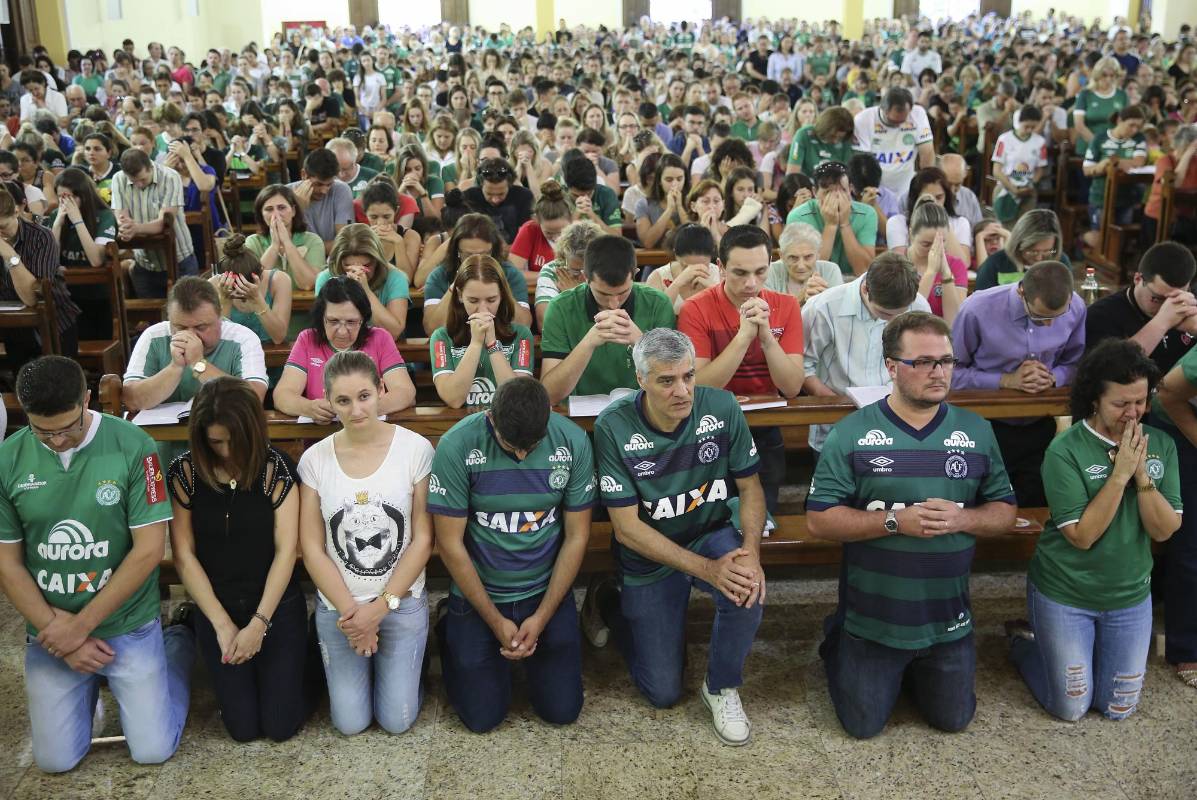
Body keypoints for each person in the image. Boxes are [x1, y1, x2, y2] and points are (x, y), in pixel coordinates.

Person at [807, 311, 1017, 739]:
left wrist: (964, 517)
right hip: (874, 622)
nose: (938, 372)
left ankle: (913, 670)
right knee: (862, 727)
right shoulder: (851, 433)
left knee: (953, 721)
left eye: (946, 361)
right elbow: (819, 520)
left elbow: (1005, 511)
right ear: (890, 367)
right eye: (922, 362)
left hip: (948, 620)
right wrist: (892, 521)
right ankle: (840, 641)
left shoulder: (976, 431)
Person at [0, 356, 194, 772]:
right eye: (42, 431)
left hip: (126, 622)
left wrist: (80, 627)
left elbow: (147, 551)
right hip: (51, 627)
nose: (56, 441)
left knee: (152, 750)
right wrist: (60, 635)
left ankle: (177, 644)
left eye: (68, 428)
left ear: (87, 400)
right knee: (54, 761)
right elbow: (8, 564)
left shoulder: (134, 445)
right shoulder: (7, 459)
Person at [583, 326, 765, 745]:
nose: (682, 390)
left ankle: (720, 687)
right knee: (662, 692)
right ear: (641, 380)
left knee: (746, 586)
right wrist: (707, 570)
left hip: (709, 532)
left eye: (689, 376)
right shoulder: (614, 425)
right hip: (648, 553)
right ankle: (610, 600)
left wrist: (749, 553)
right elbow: (627, 530)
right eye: (666, 380)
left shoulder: (721, 407)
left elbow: (752, 488)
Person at [1008, 339, 1179, 720]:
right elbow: (1082, 537)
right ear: (1095, 400)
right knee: (1071, 707)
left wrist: (1142, 477)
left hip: (1129, 596)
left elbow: (1164, 531)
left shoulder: (1162, 445)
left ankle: (1085, 653)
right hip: (1066, 592)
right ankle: (1024, 645)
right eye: (1121, 404)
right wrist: (1119, 476)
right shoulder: (1065, 450)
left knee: (1117, 708)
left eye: (1140, 402)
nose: (1133, 414)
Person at [430, 377, 593, 731]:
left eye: (530, 446)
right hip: (480, 594)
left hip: (544, 589)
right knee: (482, 719)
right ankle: (450, 626)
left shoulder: (573, 440)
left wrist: (544, 615)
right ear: (490, 417)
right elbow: (450, 544)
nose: (520, 454)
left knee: (562, 711)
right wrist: (494, 620)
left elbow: (577, 537)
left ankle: (523, 648)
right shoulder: (456, 445)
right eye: (510, 444)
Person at [298, 350, 434, 736]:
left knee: (397, 721)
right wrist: (354, 615)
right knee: (350, 723)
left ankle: (412, 666)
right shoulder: (314, 460)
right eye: (342, 400)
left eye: (363, 396)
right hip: (340, 608)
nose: (356, 409)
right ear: (328, 401)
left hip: (400, 601)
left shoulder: (415, 450)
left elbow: (423, 538)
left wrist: (381, 608)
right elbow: (312, 546)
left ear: (380, 390)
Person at [167, 377, 309, 742]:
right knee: (242, 729)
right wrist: (222, 624)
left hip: (275, 603)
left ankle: (305, 658)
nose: (228, 452)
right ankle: (182, 631)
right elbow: (184, 555)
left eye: (235, 441)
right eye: (216, 442)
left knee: (280, 726)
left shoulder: (275, 470)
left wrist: (259, 625)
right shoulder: (185, 473)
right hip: (217, 603)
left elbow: (285, 553)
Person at [678, 225, 804, 512]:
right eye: (740, 272)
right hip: (710, 424)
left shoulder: (786, 306)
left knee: (762, 521)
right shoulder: (695, 309)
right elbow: (700, 386)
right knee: (712, 521)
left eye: (760, 272)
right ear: (720, 267)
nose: (751, 283)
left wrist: (766, 337)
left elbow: (792, 386)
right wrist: (744, 336)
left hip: (765, 426)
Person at [952, 261, 1086, 507]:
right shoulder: (977, 308)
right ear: (1022, 291)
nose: (1049, 325)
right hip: (984, 425)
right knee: (984, 505)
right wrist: (1005, 380)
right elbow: (950, 373)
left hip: (1041, 422)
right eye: (1040, 316)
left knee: (1035, 506)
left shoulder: (1077, 306)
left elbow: (1077, 364)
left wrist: (1054, 376)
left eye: (1057, 317)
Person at [802, 252, 931, 453]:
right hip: (835, 424)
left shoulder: (919, 306)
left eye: (900, 314)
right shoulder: (822, 307)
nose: (891, 320)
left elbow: (923, 360)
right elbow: (801, 366)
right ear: (865, 289)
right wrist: (837, 403)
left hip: (897, 423)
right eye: (885, 314)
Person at [539, 235, 675, 404]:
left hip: (642, 414)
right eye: (603, 294)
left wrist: (641, 342)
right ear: (584, 277)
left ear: (635, 274)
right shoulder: (560, 308)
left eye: (622, 293)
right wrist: (588, 343)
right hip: (580, 418)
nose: (613, 304)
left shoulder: (658, 303)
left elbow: (672, 381)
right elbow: (550, 394)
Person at [273, 277, 416, 423]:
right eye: (333, 321)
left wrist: (363, 409)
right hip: (321, 438)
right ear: (321, 317)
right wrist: (309, 408)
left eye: (351, 322)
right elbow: (282, 395)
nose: (342, 331)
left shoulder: (380, 338)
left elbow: (405, 391)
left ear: (363, 319)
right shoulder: (307, 339)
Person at [123, 276, 268, 410]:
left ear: (220, 318)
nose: (190, 336)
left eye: (201, 327)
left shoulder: (243, 338)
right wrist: (175, 367)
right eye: (180, 327)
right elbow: (132, 400)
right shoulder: (153, 336)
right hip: (160, 437)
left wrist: (199, 364)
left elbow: (254, 398)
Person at [430, 255, 535, 408]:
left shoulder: (522, 335)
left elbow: (516, 400)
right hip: (462, 426)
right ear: (459, 295)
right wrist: (476, 343)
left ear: (502, 296)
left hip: (507, 425)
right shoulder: (441, 337)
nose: (483, 309)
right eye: (473, 301)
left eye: (491, 300)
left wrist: (492, 344)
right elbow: (454, 399)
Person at [1085, 242, 1197, 375]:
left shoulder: (1188, 303)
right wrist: (1162, 322)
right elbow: (1109, 373)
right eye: (1158, 298)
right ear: (1138, 278)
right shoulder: (1101, 315)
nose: (1169, 307)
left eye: (1176, 298)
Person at [0, 185, 79, 369]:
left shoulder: (41, 237)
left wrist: (9, 255)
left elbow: (33, 297)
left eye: (2, 227)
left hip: (54, 326)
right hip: (13, 327)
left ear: (17, 212)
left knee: (56, 388)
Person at [421, 213, 531, 333]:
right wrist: (455, 286)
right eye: (468, 255)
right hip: (455, 345)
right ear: (457, 250)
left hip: (500, 344)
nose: (477, 260)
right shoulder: (439, 276)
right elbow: (431, 329)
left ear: (493, 250)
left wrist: (501, 285)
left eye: (484, 254)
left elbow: (524, 325)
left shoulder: (510, 274)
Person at [111, 147, 198, 297]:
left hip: (178, 259)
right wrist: (124, 227)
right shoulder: (119, 179)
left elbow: (164, 223)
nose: (139, 185)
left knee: (187, 313)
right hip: (144, 262)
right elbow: (121, 217)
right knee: (151, 317)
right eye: (133, 181)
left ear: (150, 166)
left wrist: (135, 228)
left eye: (142, 179)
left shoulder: (170, 177)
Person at [50, 168, 117, 341]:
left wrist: (78, 220)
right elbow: (50, 261)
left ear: (83, 195)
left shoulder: (104, 216)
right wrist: (57, 224)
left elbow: (96, 260)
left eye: (69, 197)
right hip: (66, 297)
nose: (65, 203)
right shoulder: (55, 216)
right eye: (60, 198)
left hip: (98, 294)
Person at [314, 224, 408, 340]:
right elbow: (325, 329)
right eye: (348, 266)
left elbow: (394, 332)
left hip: (383, 349)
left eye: (366, 265)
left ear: (377, 260)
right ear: (339, 262)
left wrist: (365, 291)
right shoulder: (326, 278)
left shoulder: (396, 278)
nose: (358, 271)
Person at [786, 161, 876, 278]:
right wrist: (831, 225)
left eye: (843, 190)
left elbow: (864, 270)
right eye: (828, 192)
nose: (836, 198)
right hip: (814, 284)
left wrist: (845, 223)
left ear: (851, 189)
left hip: (854, 282)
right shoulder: (798, 216)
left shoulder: (867, 214)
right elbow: (808, 271)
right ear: (815, 192)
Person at [208, 233, 292, 346]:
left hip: (270, 352)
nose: (242, 294)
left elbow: (278, 337)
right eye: (236, 287)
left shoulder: (279, 281)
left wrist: (257, 300)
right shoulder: (214, 285)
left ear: (260, 272)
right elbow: (218, 342)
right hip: (233, 357)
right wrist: (225, 300)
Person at [852, 88, 935, 197]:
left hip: (906, 184)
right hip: (876, 185)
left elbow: (927, 152)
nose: (898, 125)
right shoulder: (863, 119)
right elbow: (862, 163)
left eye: (903, 120)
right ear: (883, 109)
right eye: (894, 121)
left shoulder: (918, 113)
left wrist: (925, 185)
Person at [243, 184, 326, 291]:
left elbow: (308, 284)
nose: (276, 214)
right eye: (269, 209)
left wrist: (287, 243)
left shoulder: (313, 241)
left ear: (293, 211)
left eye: (281, 208)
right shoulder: (252, 242)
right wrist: (274, 246)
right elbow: (253, 283)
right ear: (261, 215)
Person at [904, 199, 969, 323]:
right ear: (911, 234)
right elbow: (909, 317)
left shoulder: (956, 266)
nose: (934, 249)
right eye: (926, 244)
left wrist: (945, 274)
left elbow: (954, 321)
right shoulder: (896, 263)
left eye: (941, 242)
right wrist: (931, 273)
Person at [974, 209, 1069, 290]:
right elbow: (980, 306)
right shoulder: (994, 264)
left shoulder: (1060, 262)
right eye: (1032, 251)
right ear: (1017, 245)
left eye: (1047, 251)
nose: (1039, 258)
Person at [534, 219, 603, 329]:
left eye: (589, 271)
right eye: (575, 271)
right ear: (564, 257)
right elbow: (546, 323)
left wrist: (575, 294)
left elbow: (611, 324)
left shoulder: (608, 269)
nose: (583, 277)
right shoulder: (553, 271)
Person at [288, 148, 355, 254]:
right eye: (318, 184)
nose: (324, 191)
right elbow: (283, 244)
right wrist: (297, 210)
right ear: (304, 174)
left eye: (329, 184)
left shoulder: (342, 190)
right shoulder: (284, 194)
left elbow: (345, 244)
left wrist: (306, 249)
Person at [645, 222, 722, 311]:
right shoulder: (658, 277)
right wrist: (676, 284)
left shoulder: (720, 274)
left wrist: (714, 291)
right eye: (686, 266)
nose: (694, 272)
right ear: (676, 254)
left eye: (702, 266)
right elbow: (651, 318)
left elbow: (734, 315)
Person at [991, 106, 1048, 225]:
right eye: (1026, 126)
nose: (1029, 130)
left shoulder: (1040, 142)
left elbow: (1040, 169)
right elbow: (996, 170)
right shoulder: (1004, 139)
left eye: (1033, 127)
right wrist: (1012, 188)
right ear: (1018, 122)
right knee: (1005, 227)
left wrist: (1031, 185)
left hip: (1027, 189)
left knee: (1024, 227)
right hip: (1006, 187)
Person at [766, 221, 843, 305]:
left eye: (808, 257)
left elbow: (838, 310)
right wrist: (799, 299)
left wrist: (823, 301)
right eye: (793, 257)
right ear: (781, 255)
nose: (801, 266)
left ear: (818, 254)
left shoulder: (830, 270)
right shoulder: (770, 271)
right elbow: (768, 315)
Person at [462, 157, 533, 243]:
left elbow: (526, 237)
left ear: (510, 185)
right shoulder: (469, 198)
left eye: (501, 194)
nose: (495, 200)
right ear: (480, 185)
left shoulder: (523, 196)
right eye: (489, 194)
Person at [508, 180, 571, 271]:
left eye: (561, 232)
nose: (555, 237)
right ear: (537, 221)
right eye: (549, 233)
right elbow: (514, 274)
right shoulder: (530, 229)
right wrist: (549, 277)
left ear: (571, 220)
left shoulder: (580, 232)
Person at [786, 107, 855, 178]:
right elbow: (792, 174)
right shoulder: (803, 135)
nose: (835, 141)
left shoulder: (846, 141)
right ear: (824, 128)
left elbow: (848, 175)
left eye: (840, 138)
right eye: (832, 136)